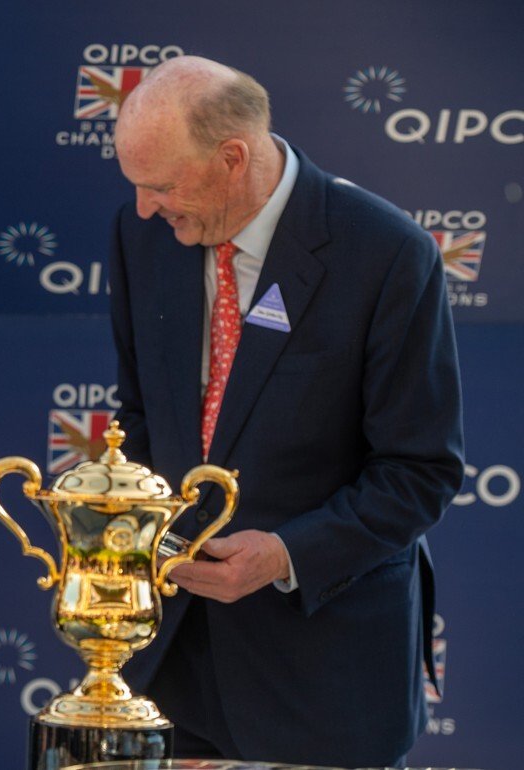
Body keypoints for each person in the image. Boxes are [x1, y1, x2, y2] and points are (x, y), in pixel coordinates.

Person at [108, 56, 464, 766]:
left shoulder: (387, 254)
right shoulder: (141, 235)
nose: (147, 206)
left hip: (327, 679)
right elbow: (142, 419)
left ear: (232, 158)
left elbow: (418, 471)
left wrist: (284, 555)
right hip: (176, 667)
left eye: (162, 184)